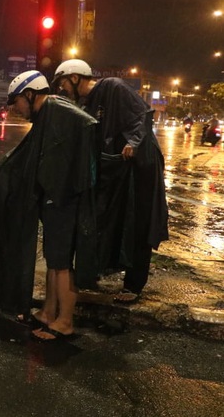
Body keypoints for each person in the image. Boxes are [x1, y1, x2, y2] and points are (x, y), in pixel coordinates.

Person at [0, 70, 99, 341]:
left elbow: (89, 125)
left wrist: (67, 180)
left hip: (65, 199)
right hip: (55, 199)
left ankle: (65, 322)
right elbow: (22, 155)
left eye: (16, 102)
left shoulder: (56, 108)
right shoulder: (47, 114)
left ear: (29, 94)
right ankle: (49, 312)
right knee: (53, 259)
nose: (16, 109)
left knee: (61, 263)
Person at [52, 59, 168, 304]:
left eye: (63, 83)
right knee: (109, 218)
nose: (62, 88)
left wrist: (133, 143)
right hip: (118, 167)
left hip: (141, 165)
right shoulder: (86, 104)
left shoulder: (113, 86)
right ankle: (98, 272)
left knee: (139, 222)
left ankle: (134, 285)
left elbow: (143, 115)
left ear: (74, 78)